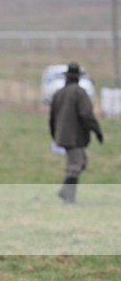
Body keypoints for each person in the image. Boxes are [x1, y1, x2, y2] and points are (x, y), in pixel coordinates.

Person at [49, 62, 103, 203]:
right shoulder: (80, 93)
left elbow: (52, 118)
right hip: (75, 137)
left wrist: (55, 135)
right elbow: (86, 115)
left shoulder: (58, 94)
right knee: (75, 165)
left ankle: (67, 193)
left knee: (80, 162)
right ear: (78, 78)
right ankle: (67, 195)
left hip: (62, 136)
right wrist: (97, 131)